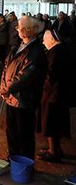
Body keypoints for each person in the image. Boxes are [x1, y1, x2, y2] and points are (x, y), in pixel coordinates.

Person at [0, 16, 46, 160]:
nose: (20, 31)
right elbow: (6, 68)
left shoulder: (36, 52)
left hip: (25, 100)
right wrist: (4, 88)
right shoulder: (18, 46)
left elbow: (23, 78)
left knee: (24, 134)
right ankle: (13, 158)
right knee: (12, 132)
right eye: (19, 27)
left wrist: (4, 89)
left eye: (24, 28)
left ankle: (24, 163)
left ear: (33, 30)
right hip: (12, 98)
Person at [36, 30, 72, 162]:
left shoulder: (55, 52)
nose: (43, 42)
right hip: (58, 93)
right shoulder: (62, 50)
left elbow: (50, 74)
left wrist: (39, 81)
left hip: (53, 94)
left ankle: (53, 152)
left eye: (45, 39)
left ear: (52, 39)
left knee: (51, 123)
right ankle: (56, 149)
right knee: (54, 122)